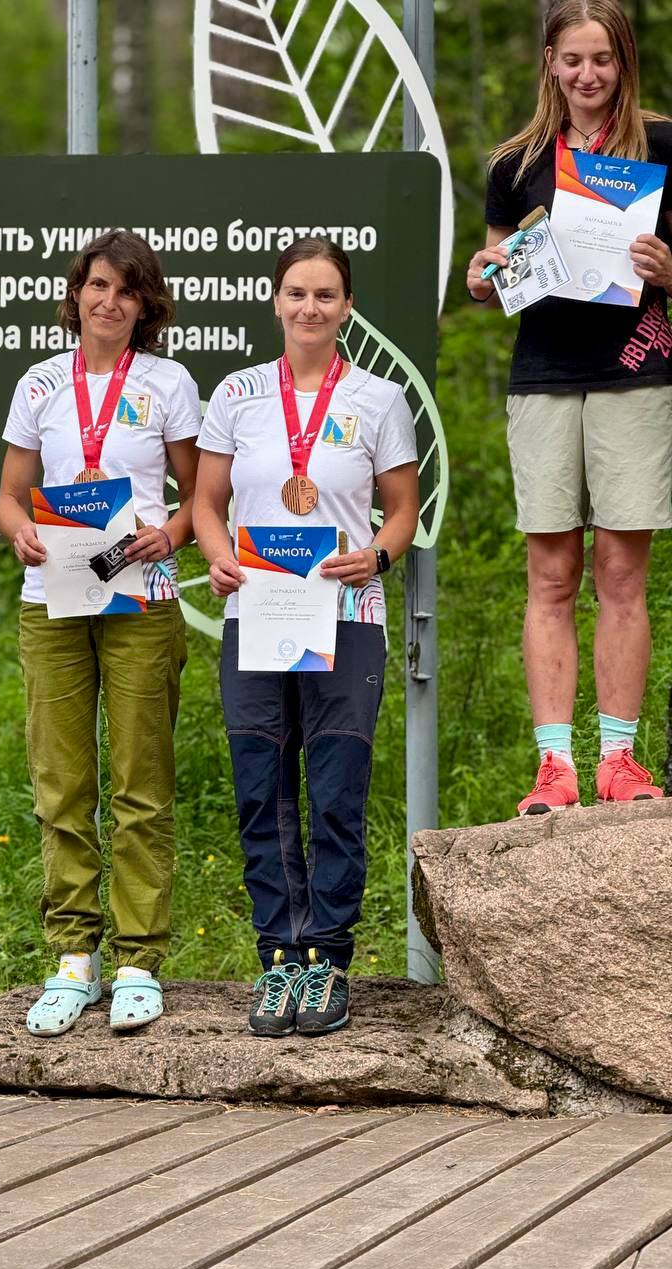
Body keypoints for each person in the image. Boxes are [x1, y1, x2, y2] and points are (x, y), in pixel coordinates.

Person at [193, 236, 419, 1037]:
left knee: (335, 794)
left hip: (346, 619)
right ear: (276, 302)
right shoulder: (238, 394)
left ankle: (326, 958)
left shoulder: (381, 400)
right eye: (296, 293)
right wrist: (218, 558)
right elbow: (206, 504)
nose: (310, 308)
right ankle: (278, 961)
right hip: (255, 615)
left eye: (325, 295)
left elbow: (402, 510)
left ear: (347, 307)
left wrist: (380, 554)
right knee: (261, 789)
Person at [467, 0, 672, 816]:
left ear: (623, 62)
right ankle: (555, 769)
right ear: (548, 63)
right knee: (550, 575)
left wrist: (668, 269)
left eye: (603, 59)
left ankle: (619, 760)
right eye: (572, 59)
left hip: (637, 373)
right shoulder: (515, 163)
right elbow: (492, 276)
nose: (588, 75)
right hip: (545, 375)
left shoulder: (662, 146)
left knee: (623, 575)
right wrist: (483, 278)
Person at [0, 230, 200, 1035]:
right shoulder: (40, 383)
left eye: (127, 290)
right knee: (61, 782)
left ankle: (140, 960)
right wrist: (20, 531)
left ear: (147, 305)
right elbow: (10, 496)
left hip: (138, 595)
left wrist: (171, 535)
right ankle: (72, 959)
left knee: (141, 782)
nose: (108, 302)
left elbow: (200, 495)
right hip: (52, 596)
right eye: (97, 286)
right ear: (76, 293)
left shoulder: (168, 382)